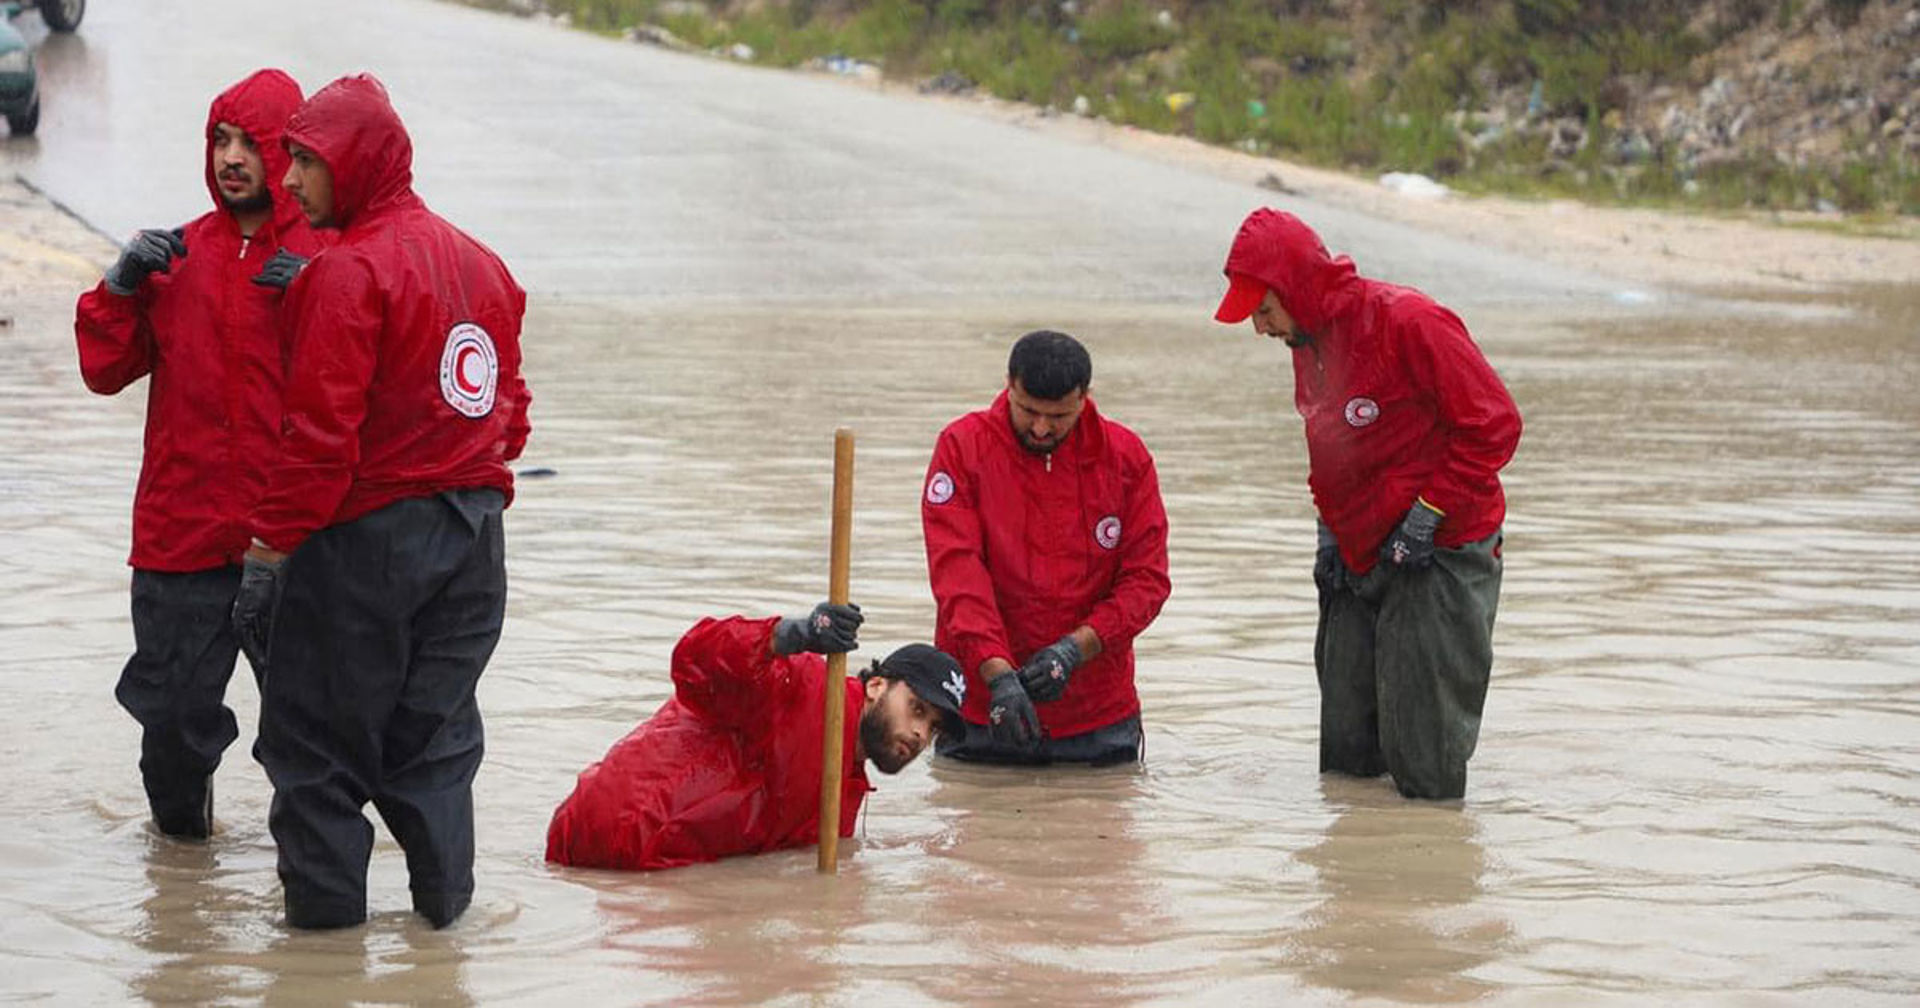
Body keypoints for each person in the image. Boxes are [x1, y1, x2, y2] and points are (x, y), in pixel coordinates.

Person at [231, 73, 532, 930]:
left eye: (304, 161)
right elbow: (512, 418)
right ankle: (443, 945)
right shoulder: (486, 266)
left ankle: (322, 961)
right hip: (475, 546)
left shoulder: (347, 273)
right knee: (435, 751)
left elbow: (319, 443)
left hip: (368, 545)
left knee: (315, 756)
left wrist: (264, 555)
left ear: (354, 163)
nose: (287, 181)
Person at [73, 68, 325, 841]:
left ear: (292, 155)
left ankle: (313, 903)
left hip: (294, 546)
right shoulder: (174, 258)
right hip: (180, 541)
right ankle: (184, 899)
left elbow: (377, 392)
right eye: (221, 139)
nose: (233, 157)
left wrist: (323, 288)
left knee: (312, 738)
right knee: (173, 730)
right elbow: (104, 373)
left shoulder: (330, 257)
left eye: (253, 142)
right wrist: (117, 288)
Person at [1212, 208, 1522, 800]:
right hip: (1358, 553)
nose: (1259, 327)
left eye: (1263, 309)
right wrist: (1330, 535)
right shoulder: (1306, 340)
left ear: (1295, 288)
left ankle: (1431, 876)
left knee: (1424, 765)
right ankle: (1356, 882)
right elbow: (1332, 452)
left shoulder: (1409, 321)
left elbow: (1496, 425)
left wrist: (1428, 515)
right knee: (1346, 756)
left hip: (1443, 553)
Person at [545, 603, 967, 870]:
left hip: (658, 872)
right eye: (916, 708)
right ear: (877, 686)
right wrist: (787, 635)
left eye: (932, 728)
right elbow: (693, 660)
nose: (919, 733)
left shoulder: (846, 794)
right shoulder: (804, 683)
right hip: (605, 840)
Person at [921, 330, 1171, 766]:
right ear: (1008, 385)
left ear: (1085, 398)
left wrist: (1075, 650)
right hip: (983, 709)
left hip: (1097, 717)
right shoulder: (962, 447)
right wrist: (997, 672)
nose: (1040, 428)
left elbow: (1147, 582)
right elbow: (957, 574)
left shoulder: (1127, 458)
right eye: (1028, 410)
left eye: (1058, 416)